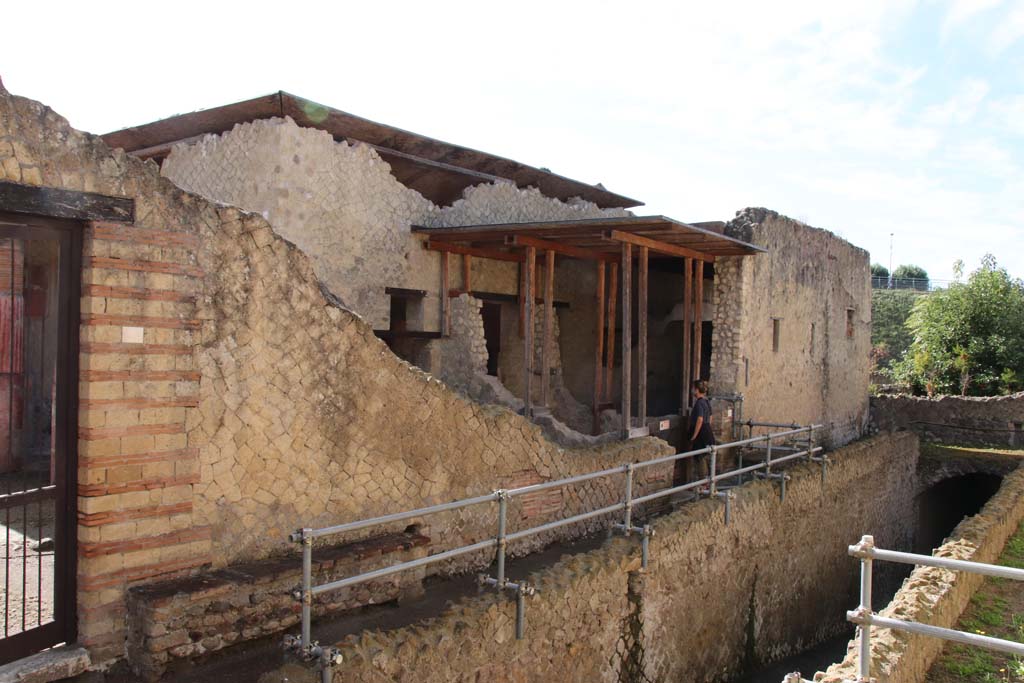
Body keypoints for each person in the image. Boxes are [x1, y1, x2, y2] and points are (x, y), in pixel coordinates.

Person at [689, 379, 715, 483]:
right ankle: (708, 481)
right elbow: (710, 417)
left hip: (701, 432)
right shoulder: (706, 402)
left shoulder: (699, 403)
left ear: (696, 390)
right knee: (705, 456)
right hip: (707, 430)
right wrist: (708, 428)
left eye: (693, 388)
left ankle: (703, 483)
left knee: (700, 457)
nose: (691, 390)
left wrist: (694, 436)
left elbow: (700, 419)